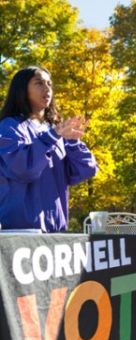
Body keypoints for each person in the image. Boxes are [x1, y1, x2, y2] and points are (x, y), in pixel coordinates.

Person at [0, 66, 98, 232]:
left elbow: (85, 170)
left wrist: (73, 143)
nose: (47, 89)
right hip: (21, 233)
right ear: (22, 90)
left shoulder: (54, 131)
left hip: (56, 232)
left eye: (49, 84)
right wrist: (51, 137)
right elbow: (24, 169)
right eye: (39, 83)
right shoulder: (9, 127)